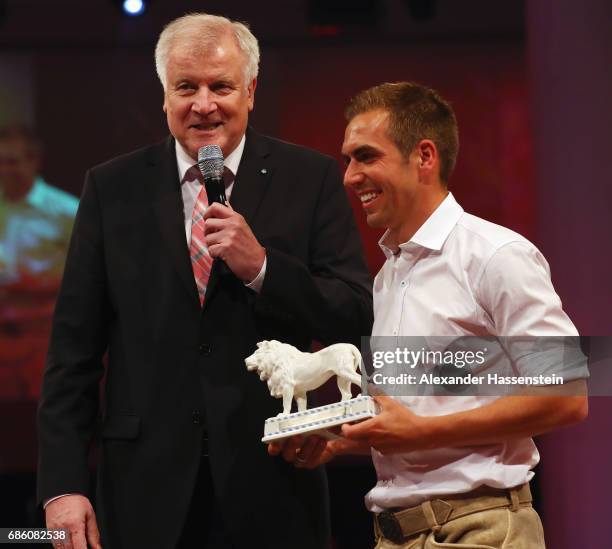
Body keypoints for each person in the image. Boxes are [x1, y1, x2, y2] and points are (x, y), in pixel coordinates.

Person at [37, 13, 373, 549]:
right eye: (186, 87)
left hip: (273, 485)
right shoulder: (111, 188)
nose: (203, 104)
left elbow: (355, 313)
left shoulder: (308, 180)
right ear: (164, 94)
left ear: (252, 91)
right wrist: (61, 488)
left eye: (221, 86)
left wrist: (263, 268)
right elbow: (72, 353)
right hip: (142, 490)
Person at [270, 82, 588, 548]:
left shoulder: (496, 255)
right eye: (348, 160)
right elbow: (418, 417)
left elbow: (568, 396)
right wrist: (340, 442)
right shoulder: (387, 276)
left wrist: (419, 431)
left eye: (366, 156)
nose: (349, 177)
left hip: (480, 529)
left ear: (424, 156)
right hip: (399, 532)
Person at [0, 124, 78, 399]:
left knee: (42, 419)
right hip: (3, 337)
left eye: (11, 161)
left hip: (44, 336)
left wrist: (29, 289)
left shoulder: (66, 211)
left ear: (33, 161)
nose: (4, 170)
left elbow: (85, 276)